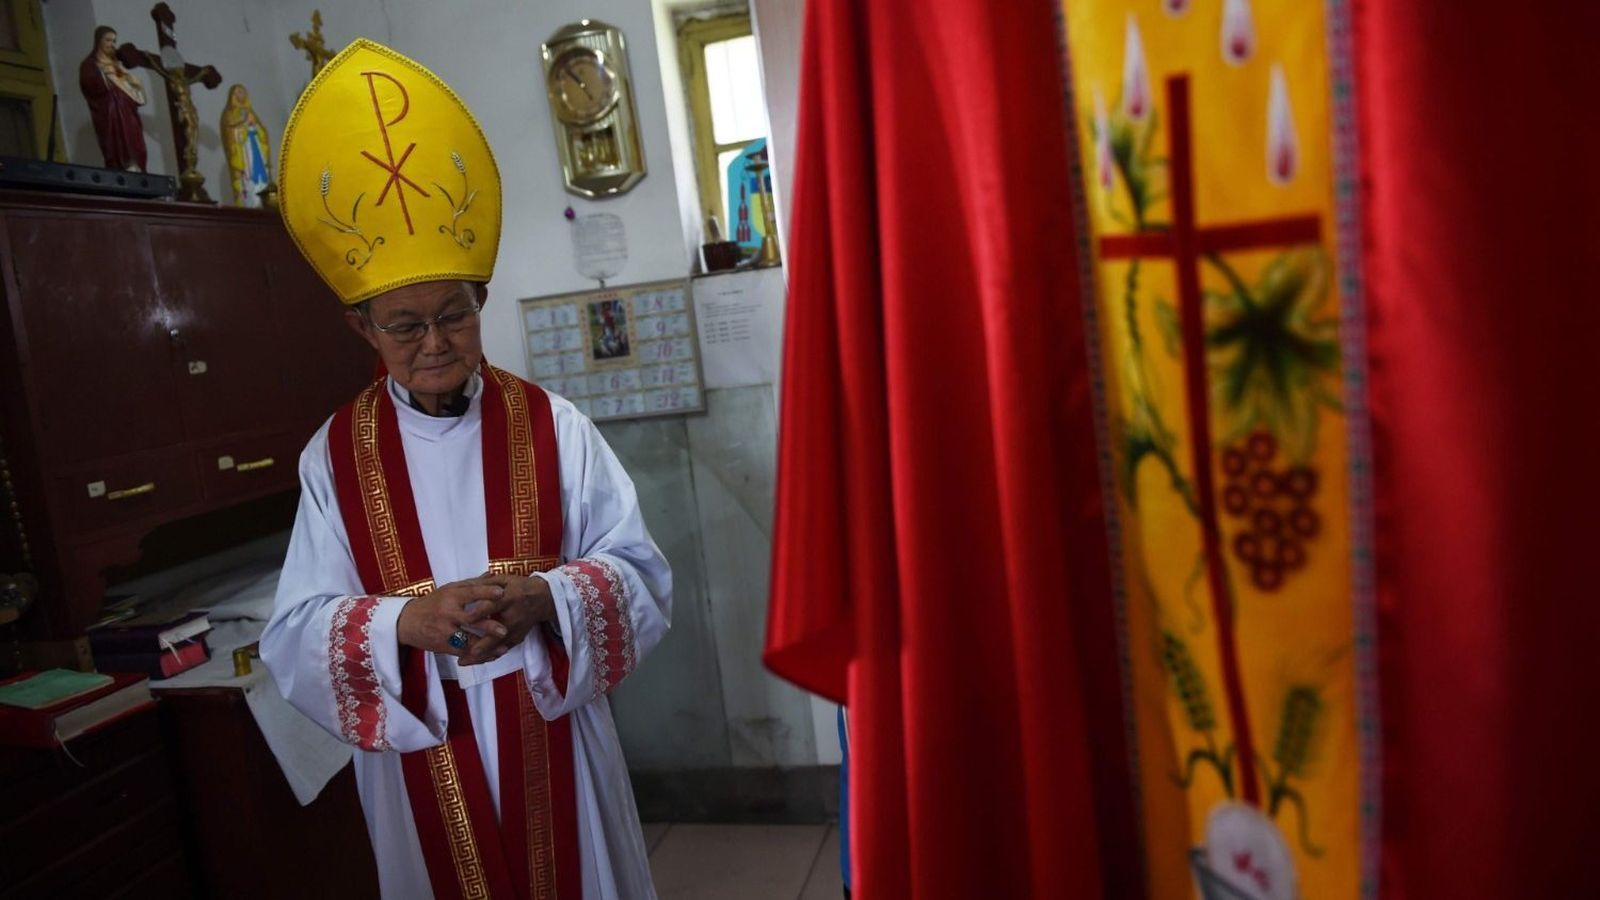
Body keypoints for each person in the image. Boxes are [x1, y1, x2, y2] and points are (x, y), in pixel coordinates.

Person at [262, 38, 670, 900]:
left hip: (551, 722)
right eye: (405, 325)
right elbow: (295, 633)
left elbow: (640, 573)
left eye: (453, 314)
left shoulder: (553, 425)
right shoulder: (335, 458)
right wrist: (402, 626)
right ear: (362, 330)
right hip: (423, 739)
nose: (435, 342)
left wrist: (548, 598)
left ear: (481, 302)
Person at [79, 25, 147, 171]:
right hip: (111, 114)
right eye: (108, 40)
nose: (112, 44)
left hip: (128, 112)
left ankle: (137, 167)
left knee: (136, 145)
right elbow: (90, 86)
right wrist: (104, 74)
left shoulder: (117, 65)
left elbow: (132, 92)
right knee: (118, 146)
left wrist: (135, 84)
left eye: (114, 41)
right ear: (98, 41)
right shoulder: (89, 65)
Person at [220, 84, 271, 207]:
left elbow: (263, 133)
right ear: (233, 96)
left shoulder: (251, 112)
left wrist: (255, 126)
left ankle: (262, 198)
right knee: (247, 180)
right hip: (243, 151)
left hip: (256, 148)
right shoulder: (229, 114)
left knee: (260, 179)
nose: (240, 95)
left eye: (242, 92)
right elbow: (230, 133)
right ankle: (251, 202)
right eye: (238, 92)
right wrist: (244, 124)